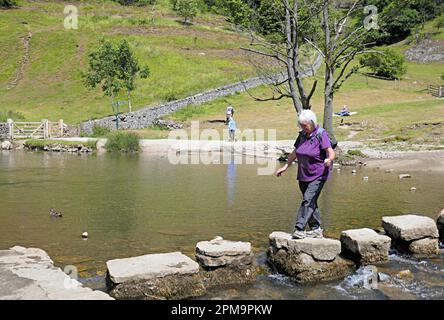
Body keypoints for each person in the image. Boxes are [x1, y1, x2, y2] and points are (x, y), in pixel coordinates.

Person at [275, 109, 335, 239]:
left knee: (308, 200)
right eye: (301, 125)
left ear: (312, 123)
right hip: (303, 174)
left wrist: (328, 160)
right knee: (310, 201)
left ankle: (299, 228)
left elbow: (330, 151)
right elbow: (295, 152)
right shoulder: (302, 135)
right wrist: (285, 166)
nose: (303, 127)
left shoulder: (321, 134)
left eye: (305, 125)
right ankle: (316, 229)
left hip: (319, 173)